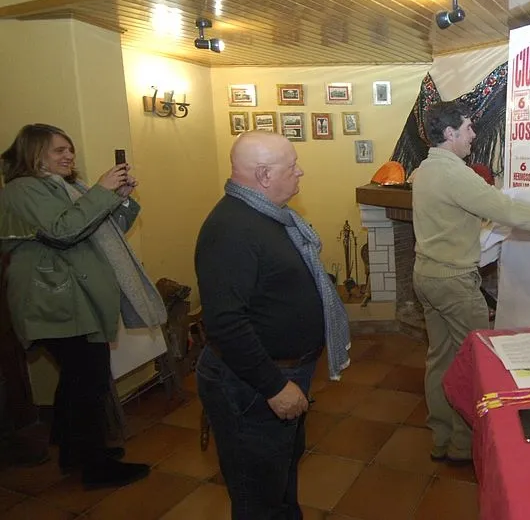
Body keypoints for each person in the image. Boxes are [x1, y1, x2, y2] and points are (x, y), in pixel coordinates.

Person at [412, 102, 530, 463]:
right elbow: (508, 210)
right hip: (453, 283)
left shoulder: (425, 169)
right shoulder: (454, 174)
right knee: (476, 362)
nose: (473, 135)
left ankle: (442, 437)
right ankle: (464, 447)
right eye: (468, 128)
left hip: (426, 276)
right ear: (450, 134)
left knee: (440, 359)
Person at [194, 130, 350, 520]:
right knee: (258, 492)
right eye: (292, 165)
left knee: (279, 475)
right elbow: (226, 323)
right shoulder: (231, 229)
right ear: (264, 175)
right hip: (251, 383)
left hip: (282, 372)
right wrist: (275, 386)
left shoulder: (270, 216)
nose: (301, 172)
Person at [0, 124, 164, 488]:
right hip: (56, 298)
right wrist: (100, 192)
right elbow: (63, 232)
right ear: (33, 152)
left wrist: (118, 197)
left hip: (76, 298)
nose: (69, 156)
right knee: (87, 381)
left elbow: (107, 229)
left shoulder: (69, 187)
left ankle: (76, 454)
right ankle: (93, 468)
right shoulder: (23, 189)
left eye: (70, 150)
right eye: (58, 150)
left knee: (79, 381)